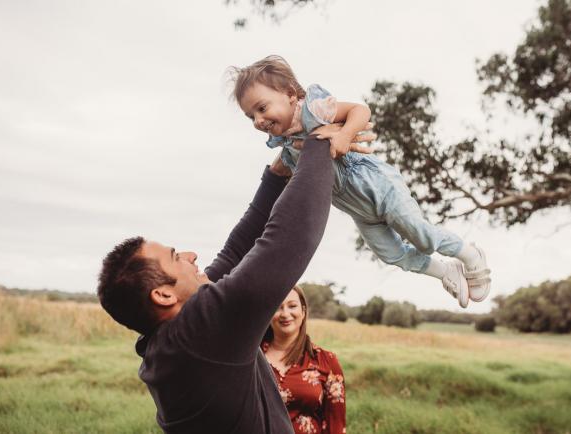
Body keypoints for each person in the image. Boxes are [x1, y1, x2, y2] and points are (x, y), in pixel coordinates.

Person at [97, 128, 372, 434]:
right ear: (163, 295)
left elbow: (234, 254)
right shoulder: (201, 333)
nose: (191, 255)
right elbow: (289, 239)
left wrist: (277, 174)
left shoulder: (172, 339)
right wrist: (320, 140)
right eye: (176, 257)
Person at [228, 55, 492, 308]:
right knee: (390, 254)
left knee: (421, 236)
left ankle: (471, 255)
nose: (258, 120)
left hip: (378, 186)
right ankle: (446, 271)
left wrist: (345, 133)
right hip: (357, 209)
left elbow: (360, 110)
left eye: (262, 108)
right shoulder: (286, 148)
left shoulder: (315, 109)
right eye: (251, 116)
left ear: (289, 94)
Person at [262, 286, 345, 434]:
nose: (285, 314)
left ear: (303, 312)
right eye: (278, 307)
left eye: (292, 306)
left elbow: (335, 424)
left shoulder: (326, 361)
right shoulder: (252, 360)